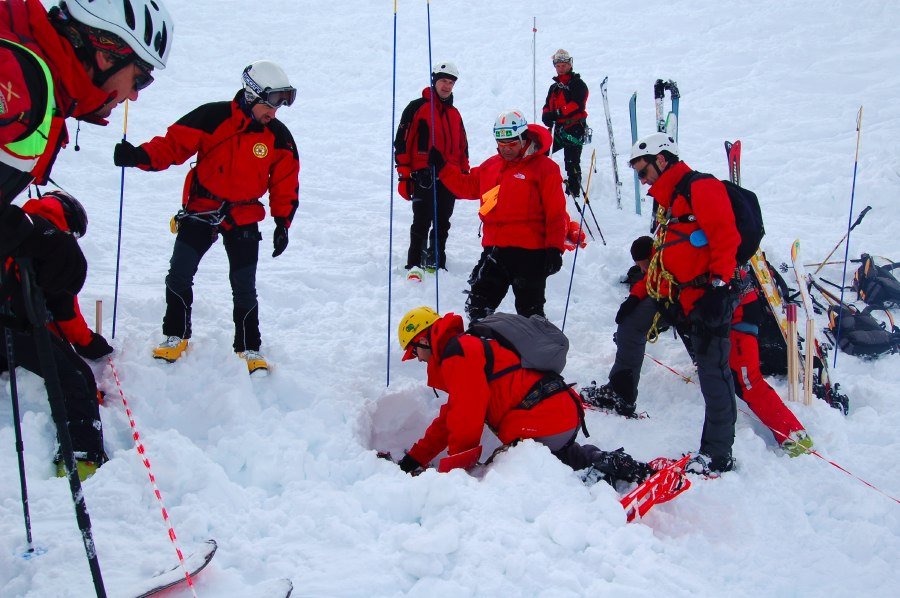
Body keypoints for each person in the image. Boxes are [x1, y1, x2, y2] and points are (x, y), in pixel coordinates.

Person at [1, 0, 175, 480]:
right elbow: (63, 310)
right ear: (104, 52)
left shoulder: (32, 73)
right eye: (139, 78)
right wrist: (36, 240)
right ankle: (81, 472)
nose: (136, 96)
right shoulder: (19, 82)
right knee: (73, 380)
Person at [114, 60, 300, 374]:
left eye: (280, 105)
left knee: (244, 286)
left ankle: (248, 346)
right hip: (201, 209)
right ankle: (176, 335)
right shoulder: (212, 116)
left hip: (244, 214)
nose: (275, 112)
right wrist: (139, 156)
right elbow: (172, 146)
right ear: (252, 95)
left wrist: (282, 222)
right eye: (271, 104)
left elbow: (286, 183)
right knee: (179, 274)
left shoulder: (278, 136)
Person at [582, 133, 741, 476]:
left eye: (644, 171)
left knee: (714, 371)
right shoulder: (669, 200)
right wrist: (638, 294)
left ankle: (718, 452)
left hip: (705, 296)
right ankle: (621, 393)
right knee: (630, 326)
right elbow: (661, 260)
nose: (642, 180)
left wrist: (718, 287)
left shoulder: (702, 188)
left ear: (663, 159)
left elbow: (727, 237)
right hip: (672, 293)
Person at [393, 306, 654, 486]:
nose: (417, 359)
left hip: (539, 417)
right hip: (553, 413)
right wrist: (415, 459)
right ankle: (609, 464)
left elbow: (467, 416)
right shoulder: (467, 347)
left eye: (414, 352)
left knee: (518, 468)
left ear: (424, 339)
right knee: (559, 457)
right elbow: (453, 415)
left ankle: (587, 483)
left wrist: (456, 473)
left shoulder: (457, 354)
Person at [429, 110, 566, 323]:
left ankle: (536, 352)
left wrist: (554, 248)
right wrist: (443, 168)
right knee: (478, 307)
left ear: (523, 138)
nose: (506, 150)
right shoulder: (491, 166)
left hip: (531, 254)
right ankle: (481, 349)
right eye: (501, 145)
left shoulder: (545, 168)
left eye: (511, 144)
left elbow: (556, 212)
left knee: (531, 314)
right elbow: (466, 187)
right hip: (495, 251)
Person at [394, 61, 469, 276]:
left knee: (442, 223)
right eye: (443, 81)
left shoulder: (455, 114)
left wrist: (463, 176)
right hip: (423, 176)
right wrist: (404, 175)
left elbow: (463, 148)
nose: (447, 86)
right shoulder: (417, 107)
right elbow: (402, 142)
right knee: (421, 222)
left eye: (451, 83)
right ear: (434, 81)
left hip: (450, 177)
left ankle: (437, 261)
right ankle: (414, 263)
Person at [541, 49, 589, 198]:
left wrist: (557, 114)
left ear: (570, 65)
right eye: (558, 66)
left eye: (564, 65)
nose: (561, 68)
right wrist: (546, 115)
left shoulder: (578, 84)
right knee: (541, 152)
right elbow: (547, 105)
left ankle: (575, 189)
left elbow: (577, 104)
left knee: (571, 161)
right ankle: (540, 182)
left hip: (574, 127)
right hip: (558, 128)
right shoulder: (554, 88)